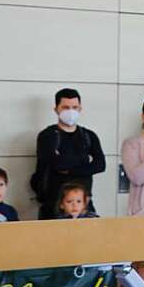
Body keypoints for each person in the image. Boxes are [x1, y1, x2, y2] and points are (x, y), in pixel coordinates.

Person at [32, 87, 106, 220]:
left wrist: (68, 168)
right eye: (66, 107)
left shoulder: (89, 136)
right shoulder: (47, 136)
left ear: (80, 109)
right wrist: (84, 162)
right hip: (53, 206)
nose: (71, 111)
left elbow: (100, 165)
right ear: (56, 109)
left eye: (75, 107)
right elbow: (57, 164)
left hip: (83, 206)